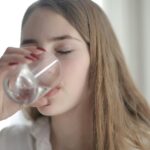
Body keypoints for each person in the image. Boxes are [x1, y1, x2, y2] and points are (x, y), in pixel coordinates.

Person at [0, 0, 150, 150]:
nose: (45, 69)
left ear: (98, 58)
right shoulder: (9, 142)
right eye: (32, 53)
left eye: (64, 50)